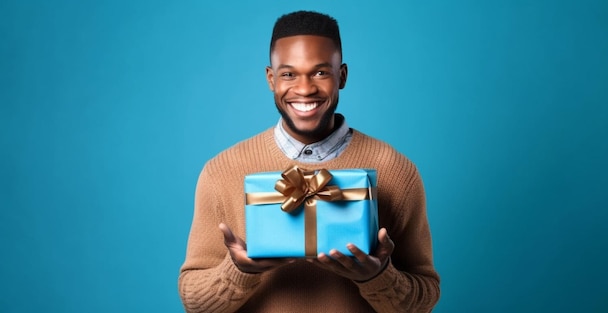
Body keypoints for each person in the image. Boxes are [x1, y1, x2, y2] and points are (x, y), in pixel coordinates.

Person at [178, 10, 440, 313]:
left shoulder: (396, 171)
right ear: (271, 78)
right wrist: (239, 271)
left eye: (320, 72)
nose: (304, 89)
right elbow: (194, 303)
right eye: (289, 74)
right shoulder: (221, 172)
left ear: (341, 76)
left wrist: (379, 277)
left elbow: (425, 299)